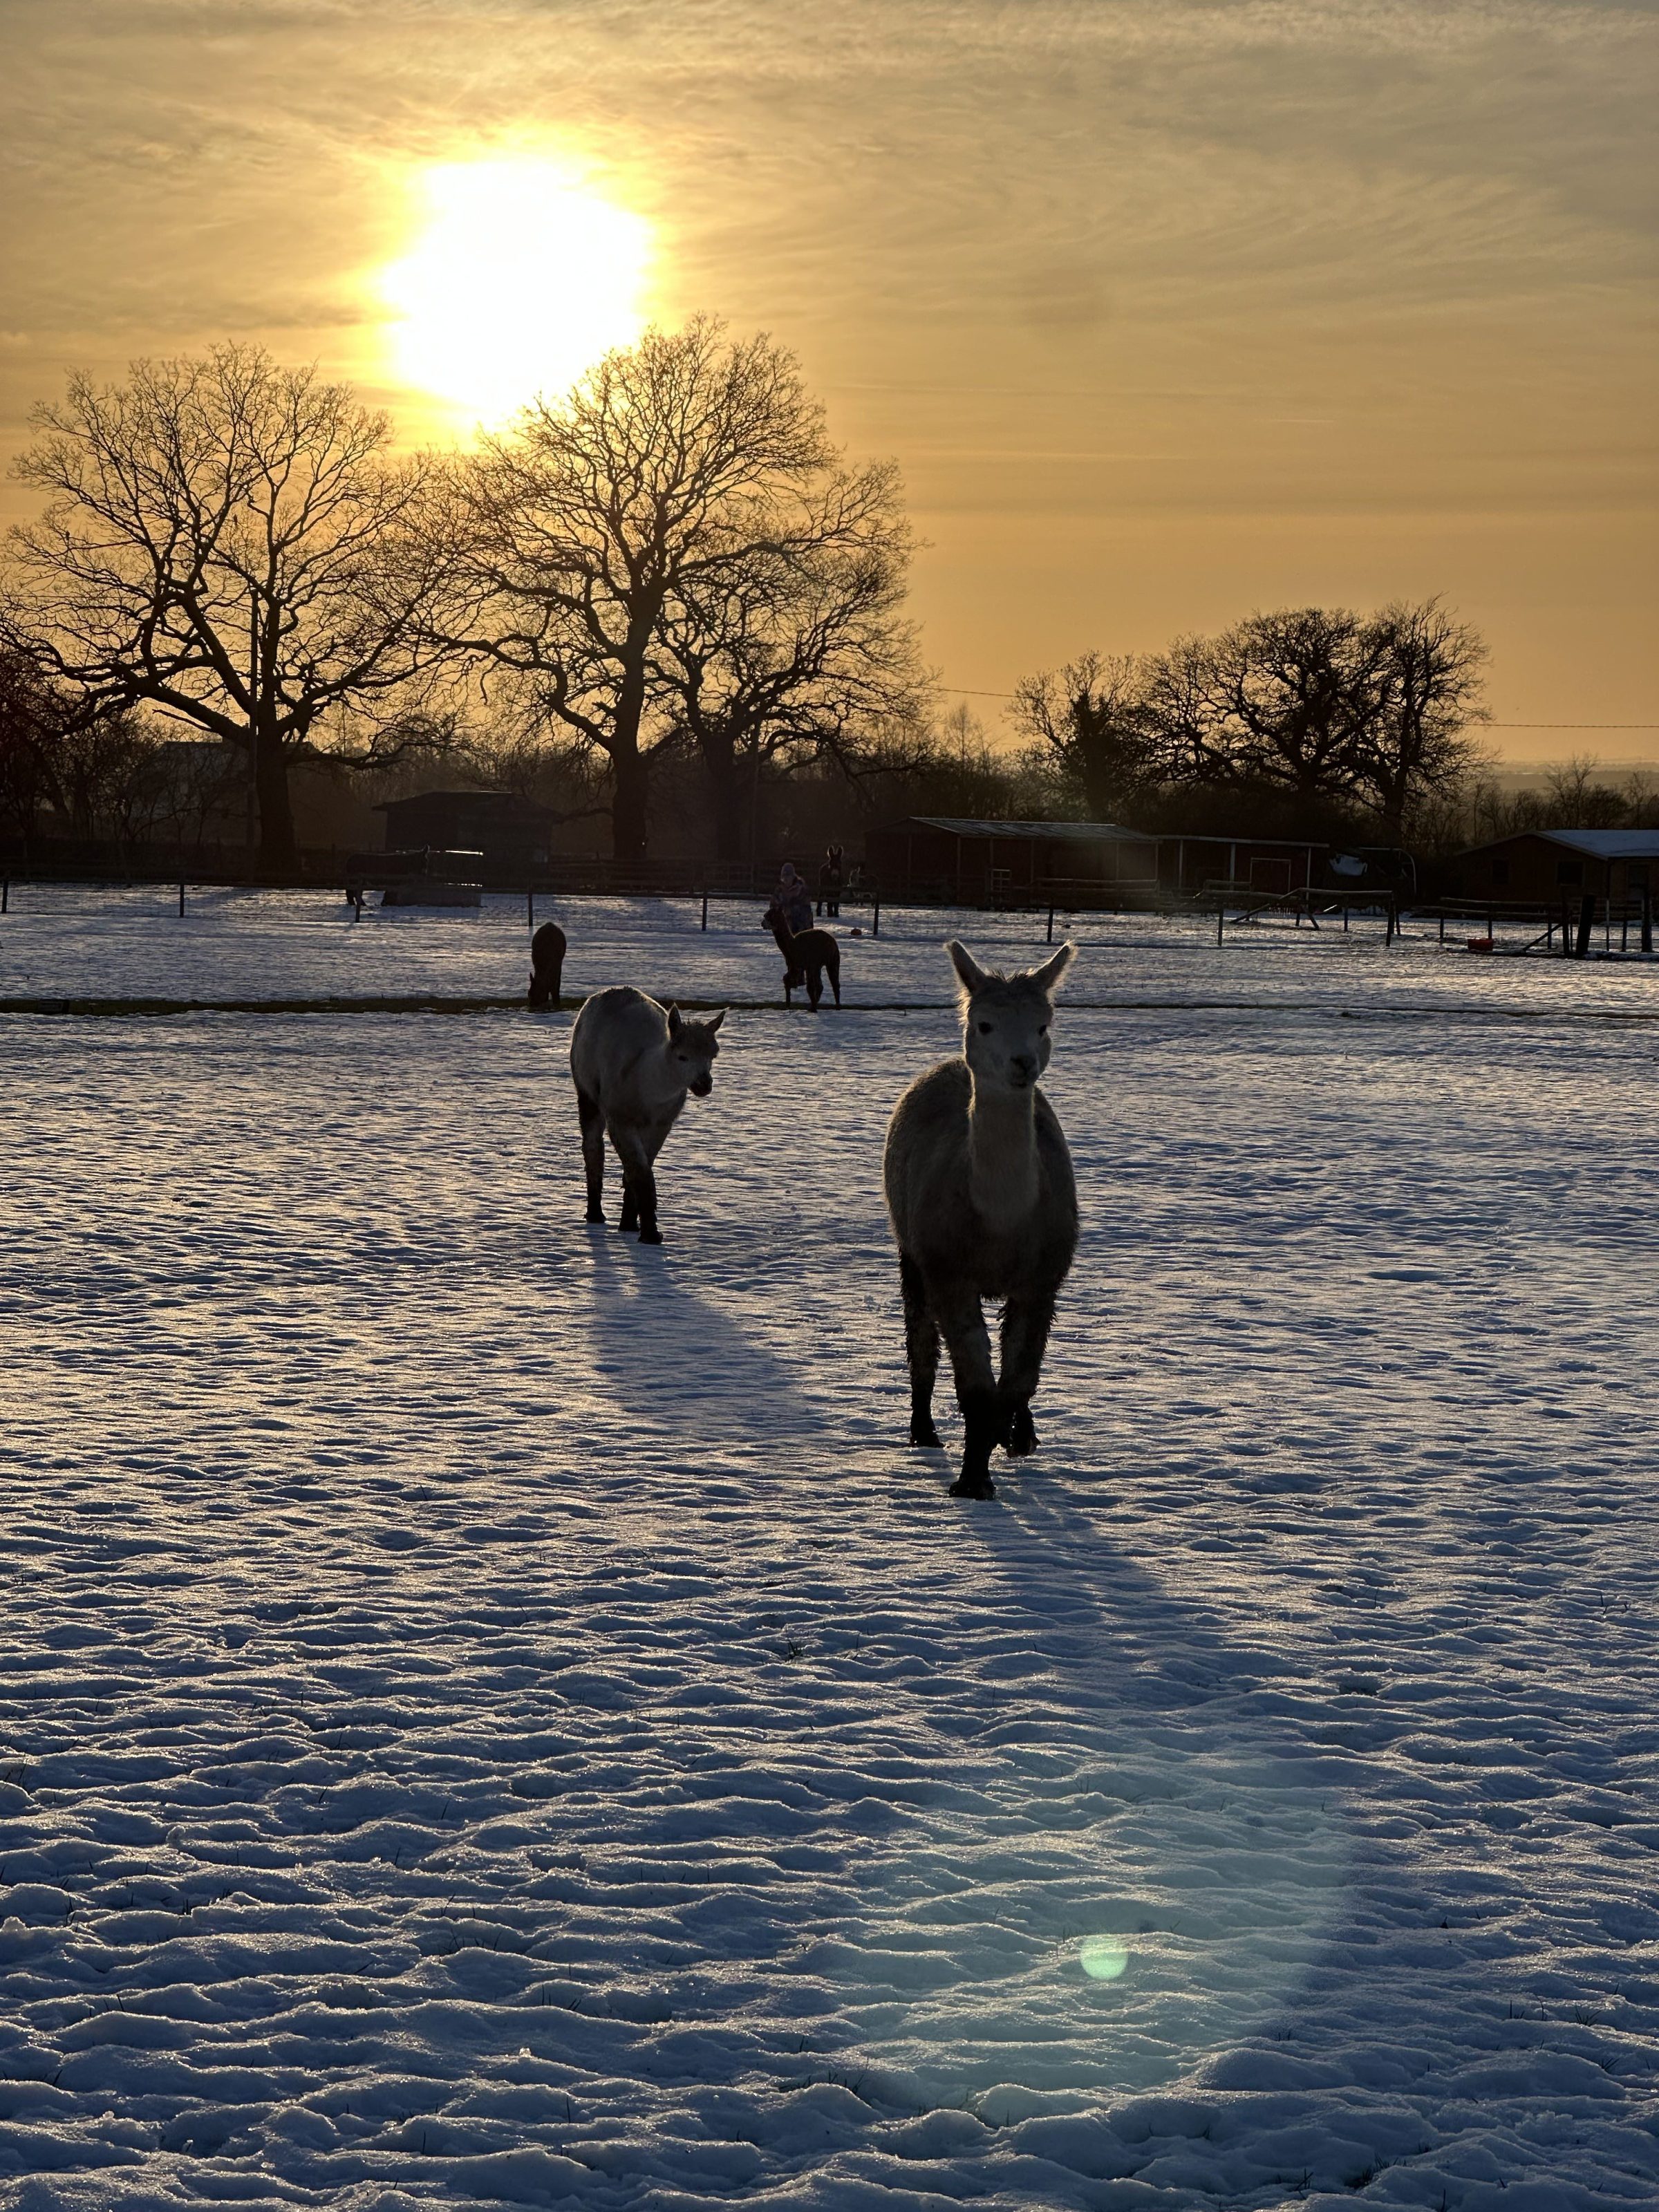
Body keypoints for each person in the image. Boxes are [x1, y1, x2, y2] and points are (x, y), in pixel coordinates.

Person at [776, 861, 814, 935]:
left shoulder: (801, 890)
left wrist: (791, 911)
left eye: (788, 877)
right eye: (784, 877)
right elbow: (774, 905)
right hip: (786, 928)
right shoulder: (780, 891)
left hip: (802, 928)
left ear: (793, 877)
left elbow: (806, 910)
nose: (786, 879)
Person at [817, 843, 844, 918]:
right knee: (823, 893)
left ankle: (836, 912)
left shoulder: (839, 874)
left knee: (836, 895)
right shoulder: (824, 871)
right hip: (827, 881)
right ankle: (819, 909)